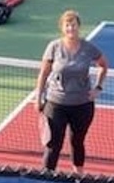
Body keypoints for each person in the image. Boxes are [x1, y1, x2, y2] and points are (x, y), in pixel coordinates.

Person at [33, 9, 109, 176]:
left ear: (78, 26)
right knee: (54, 143)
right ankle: (46, 177)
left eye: (73, 24)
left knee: (77, 142)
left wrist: (98, 88)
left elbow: (104, 65)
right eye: (67, 25)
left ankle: (78, 176)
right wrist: (38, 98)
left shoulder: (88, 48)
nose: (71, 28)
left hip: (82, 105)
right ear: (62, 27)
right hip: (56, 104)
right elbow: (43, 74)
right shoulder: (54, 47)